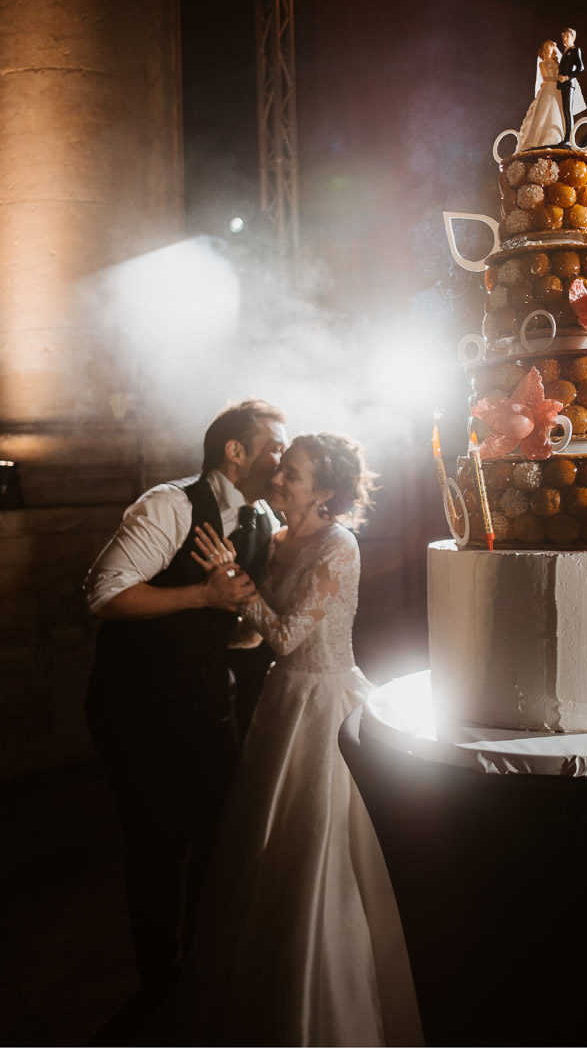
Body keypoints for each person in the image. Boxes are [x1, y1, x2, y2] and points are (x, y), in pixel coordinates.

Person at [186, 432, 422, 1046]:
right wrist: (214, 622)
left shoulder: (339, 546)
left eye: (291, 472)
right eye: (281, 469)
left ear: (326, 491)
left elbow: (287, 634)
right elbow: (258, 635)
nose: (278, 479)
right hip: (281, 700)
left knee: (320, 839)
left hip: (325, 705)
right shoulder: (278, 539)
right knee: (268, 840)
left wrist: (233, 580)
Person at [83, 399, 286, 1009]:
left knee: (217, 835)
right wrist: (202, 593)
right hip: (136, 707)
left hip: (207, 703)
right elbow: (104, 593)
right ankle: (156, 984)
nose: (283, 456)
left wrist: (244, 610)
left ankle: (201, 959)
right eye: (274, 444)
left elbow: (241, 634)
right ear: (236, 451)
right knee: (156, 845)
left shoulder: (260, 520)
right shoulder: (169, 504)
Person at [518, 39, 567, 150]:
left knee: (556, 112)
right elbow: (545, 77)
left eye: (550, 46)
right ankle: (533, 141)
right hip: (548, 87)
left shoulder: (557, 64)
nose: (548, 48)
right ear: (543, 51)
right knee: (543, 111)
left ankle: (553, 139)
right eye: (546, 47)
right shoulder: (543, 63)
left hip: (556, 90)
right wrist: (558, 79)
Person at [557, 26, 585, 145]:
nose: (565, 39)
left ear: (573, 37)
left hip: (568, 83)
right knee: (564, 110)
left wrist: (568, 77)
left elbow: (581, 67)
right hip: (563, 85)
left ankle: (569, 138)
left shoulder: (575, 50)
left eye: (567, 36)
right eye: (563, 37)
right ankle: (567, 135)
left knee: (568, 109)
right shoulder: (565, 52)